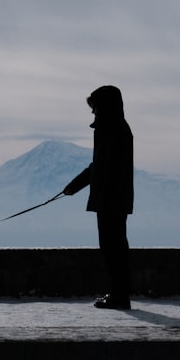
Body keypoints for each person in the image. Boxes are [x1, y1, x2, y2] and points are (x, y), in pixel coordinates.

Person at [63, 85, 134, 310]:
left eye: (94, 107)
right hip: (114, 197)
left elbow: (101, 167)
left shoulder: (111, 129)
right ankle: (118, 294)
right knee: (113, 247)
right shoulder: (115, 128)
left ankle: (119, 296)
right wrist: (75, 187)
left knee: (113, 247)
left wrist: (74, 186)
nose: (92, 112)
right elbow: (100, 166)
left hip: (110, 197)